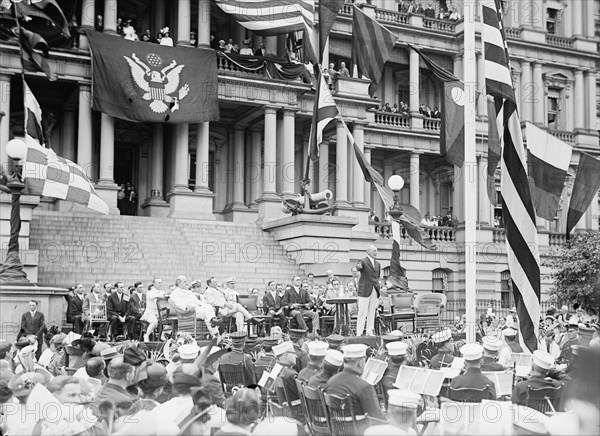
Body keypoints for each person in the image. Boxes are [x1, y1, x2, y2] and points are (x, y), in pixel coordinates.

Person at [326, 344, 384, 425]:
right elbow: (377, 419)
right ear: (360, 362)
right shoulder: (364, 387)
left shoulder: (331, 382)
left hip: (337, 431)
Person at [355, 245, 381, 337]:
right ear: (368, 251)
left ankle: (370, 331)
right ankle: (359, 332)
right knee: (362, 311)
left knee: (372, 311)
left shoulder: (378, 264)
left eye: (376, 251)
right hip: (365, 289)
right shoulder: (363, 261)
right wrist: (358, 266)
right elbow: (358, 267)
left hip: (374, 289)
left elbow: (377, 276)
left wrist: (378, 287)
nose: (376, 252)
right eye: (374, 251)